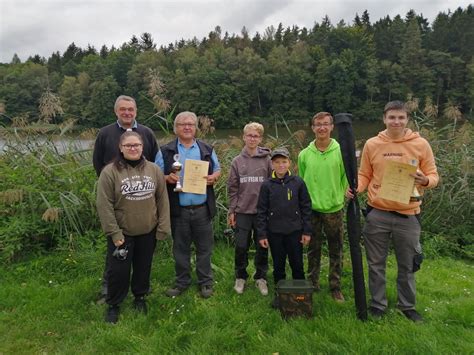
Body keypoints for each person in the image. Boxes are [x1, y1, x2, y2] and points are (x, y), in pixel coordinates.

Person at [347, 100, 439, 322]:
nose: (396, 121)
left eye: (401, 117)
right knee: (375, 264)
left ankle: (407, 306)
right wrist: (356, 188)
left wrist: (425, 180)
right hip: (377, 213)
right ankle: (378, 305)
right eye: (392, 117)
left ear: (407, 119)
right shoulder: (372, 144)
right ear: (384, 119)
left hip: (408, 215)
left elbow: (434, 176)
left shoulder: (421, 144)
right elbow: (365, 175)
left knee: (407, 265)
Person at [96, 131, 170, 323]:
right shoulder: (110, 172)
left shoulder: (154, 170)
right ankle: (113, 304)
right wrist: (114, 232)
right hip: (122, 233)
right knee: (118, 271)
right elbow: (104, 205)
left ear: (142, 147)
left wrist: (163, 227)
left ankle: (140, 297)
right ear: (120, 148)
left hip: (148, 230)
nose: (133, 148)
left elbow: (162, 200)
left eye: (136, 145)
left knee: (143, 267)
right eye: (128, 145)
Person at [93, 95, 159, 300]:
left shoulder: (147, 133)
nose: (127, 113)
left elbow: (155, 161)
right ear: (116, 112)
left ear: (136, 111)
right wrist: (113, 186)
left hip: (143, 199)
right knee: (115, 253)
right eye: (123, 109)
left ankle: (140, 293)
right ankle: (109, 290)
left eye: (131, 109)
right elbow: (98, 163)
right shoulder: (105, 133)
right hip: (117, 200)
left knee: (141, 257)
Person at [155, 111, 221, 299]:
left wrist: (213, 178)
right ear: (175, 128)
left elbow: (217, 169)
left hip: (202, 209)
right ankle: (182, 282)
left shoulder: (206, 148)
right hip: (179, 210)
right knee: (180, 249)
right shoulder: (166, 150)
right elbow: (156, 174)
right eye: (182, 124)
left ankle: (205, 282)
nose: (187, 127)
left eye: (191, 124)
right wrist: (167, 178)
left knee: (204, 248)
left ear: (195, 128)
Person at [298, 112, 348, 302]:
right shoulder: (304, 155)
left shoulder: (341, 151)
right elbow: (301, 182)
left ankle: (335, 287)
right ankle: (312, 283)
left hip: (334, 208)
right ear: (313, 128)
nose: (322, 128)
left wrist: (342, 193)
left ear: (332, 127)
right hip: (311, 210)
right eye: (318, 124)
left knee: (336, 249)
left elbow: (346, 178)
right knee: (313, 249)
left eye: (325, 124)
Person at [257, 147, 312, 308]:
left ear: (289, 163)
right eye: (277, 162)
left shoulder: (298, 183)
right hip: (275, 234)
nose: (281, 165)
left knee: (297, 265)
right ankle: (280, 295)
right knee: (278, 267)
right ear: (272, 164)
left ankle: (300, 296)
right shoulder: (266, 185)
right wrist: (262, 235)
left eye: (284, 162)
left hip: (295, 232)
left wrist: (307, 231)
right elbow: (261, 211)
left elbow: (306, 208)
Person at [227, 122, 272, 296]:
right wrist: (232, 210)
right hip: (243, 211)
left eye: (256, 136)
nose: (252, 139)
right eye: (249, 135)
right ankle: (241, 276)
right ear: (244, 137)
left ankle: (261, 277)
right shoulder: (237, 161)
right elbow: (232, 188)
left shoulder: (267, 160)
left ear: (260, 138)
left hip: (262, 212)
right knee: (241, 245)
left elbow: (272, 185)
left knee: (262, 246)